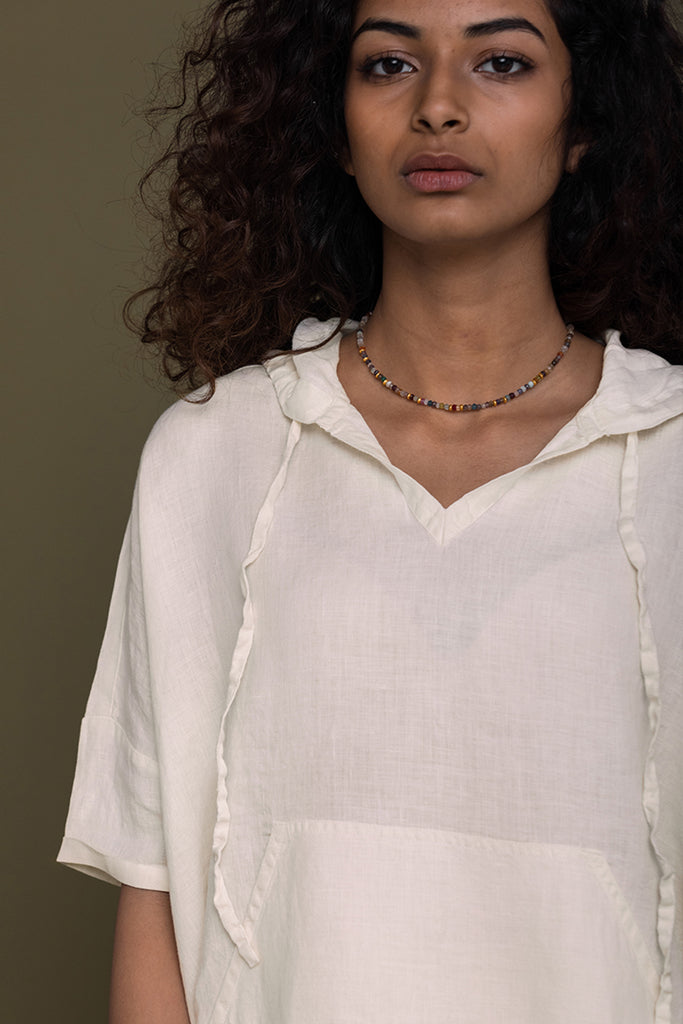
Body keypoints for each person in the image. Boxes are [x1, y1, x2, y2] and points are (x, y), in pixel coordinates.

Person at [58, 0, 683, 1021]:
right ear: (334, 128)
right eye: (388, 63)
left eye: (501, 62)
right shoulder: (216, 454)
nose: (437, 104)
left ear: (585, 123)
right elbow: (153, 885)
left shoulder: (667, 455)